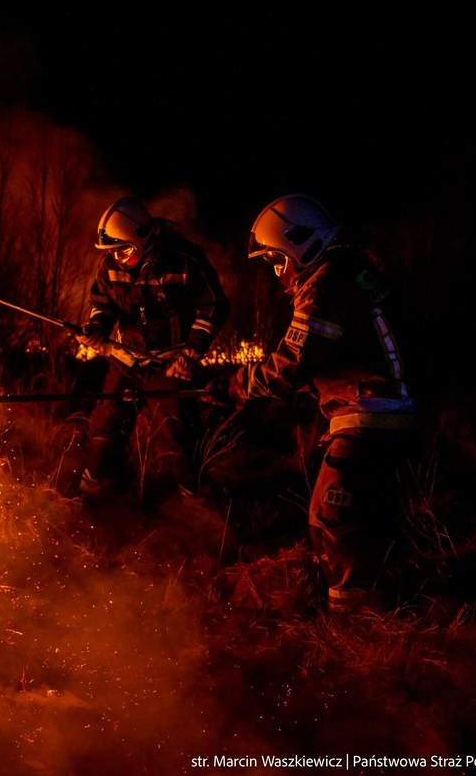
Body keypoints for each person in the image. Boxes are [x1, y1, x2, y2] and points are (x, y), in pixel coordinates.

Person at [214, 194, 418, 614]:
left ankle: (355, 620)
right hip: (386, 407)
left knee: (331, 517)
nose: (277, 273)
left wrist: (236, 386)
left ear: (301, 243)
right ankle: (388, 598)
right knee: (370, 516)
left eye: (277, 261)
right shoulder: (352, 270)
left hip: (369, 412)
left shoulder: (325, 285)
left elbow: (294, 360)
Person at [73, 197, 229, 506]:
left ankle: (198, 508)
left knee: (178, 437)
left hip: (169, 363)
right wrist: (96, 328)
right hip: (126, 360)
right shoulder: (109, 267)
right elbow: (102, 304)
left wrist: (190, 354)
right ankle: (94, 501)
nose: (117, 258)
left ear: (144, 238)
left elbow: (214, 306)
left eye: (124, 250)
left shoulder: (186, 260)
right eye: (112, 252)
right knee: (105, 428)